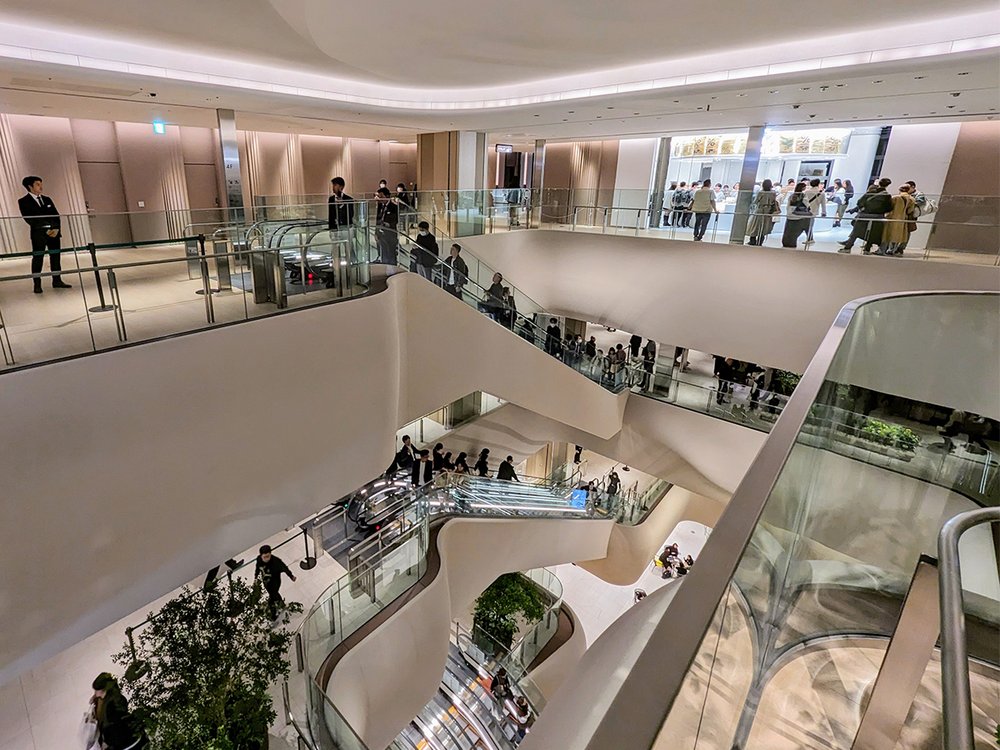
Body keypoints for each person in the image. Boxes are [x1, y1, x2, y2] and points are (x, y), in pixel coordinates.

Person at [18, 176, 71, 293]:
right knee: (38, 258)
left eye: (41, 183)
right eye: (37, 184)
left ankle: (57, 280)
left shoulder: (47, 199)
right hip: (39, 235)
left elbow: (56, 215)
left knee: (55, 257)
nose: (40, 186)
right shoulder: (23, 201)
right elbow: (30, 219)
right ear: (29, 186)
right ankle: (37, 284)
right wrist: (46, 229)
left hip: (54, 234)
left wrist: (55, 229)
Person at [90, 673, 148, 750]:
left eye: (96, 690)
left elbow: (117, 725)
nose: (95, 693)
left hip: (126, 743)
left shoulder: (115, 701)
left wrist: (107, 743)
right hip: (124, 741)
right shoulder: (105, 700)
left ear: (102, 689)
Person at [838, 178, 893, 254]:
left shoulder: (871, 192)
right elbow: (889, 208)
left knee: (856, 232)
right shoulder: (887, 196)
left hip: (864, 215)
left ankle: (848, 247)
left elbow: (860, 202)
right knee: (872, 233)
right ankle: (867, 249)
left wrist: (865, 208)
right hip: (877, 217)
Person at [255, 544, 296, 621]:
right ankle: (281, 604)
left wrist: (291, 576)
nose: (267, 559)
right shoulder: (259, 560)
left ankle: (273, 614)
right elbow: (257, 568)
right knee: (274, 594)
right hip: (266, 582)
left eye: (268, 556)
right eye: (265, 557)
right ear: (261, 556)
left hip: (275, 582)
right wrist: (256, 577)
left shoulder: (276, 561)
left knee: (272, 597)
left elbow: (285, 568)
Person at [880, 184, 917, 256]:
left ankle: (884, 250)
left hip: (892, 218)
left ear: (900, 190)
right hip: (903, 219)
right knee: (898, 235)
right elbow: (910, 210)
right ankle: (894, 250)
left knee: (888, 234)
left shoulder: (895, 197)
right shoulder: (912, 199)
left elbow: (889, 207)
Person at [746, 179, 780, 246]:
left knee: (755, 226)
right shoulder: (773, 193)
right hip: (768, 211)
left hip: (759, 210)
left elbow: (755, 201)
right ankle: (760, 241)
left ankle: (752, 240)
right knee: (764, 227)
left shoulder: (761, 192)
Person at [781, 182, 812, 248]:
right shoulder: (803, 195)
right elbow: (807, 204)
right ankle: (793, 243)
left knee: (788, 232)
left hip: (790, 216)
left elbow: (788, 205)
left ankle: (786, 243)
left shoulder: (792, 195)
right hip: (798, 216)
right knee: (795, 233)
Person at [374, 187, 399, 265]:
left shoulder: (394, 207)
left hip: (390, 235)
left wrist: (388, 224)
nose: (380, 199)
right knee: (383, 254)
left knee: (391, 255)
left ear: (387, 196)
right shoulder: (380, 206)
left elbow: (396, 220)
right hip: (381, 234)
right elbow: (377, 220)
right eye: (379, 196)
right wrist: (376, 232)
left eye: (381, 196)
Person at [802, 178, 828, 243]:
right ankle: (810, 238)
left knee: (805, 225)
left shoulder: (807, 192)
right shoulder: (821, 193)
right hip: (814, 211)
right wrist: (824, 212)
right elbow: (823, 204)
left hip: (806, 210)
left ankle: (810, 238)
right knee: (810, 225)